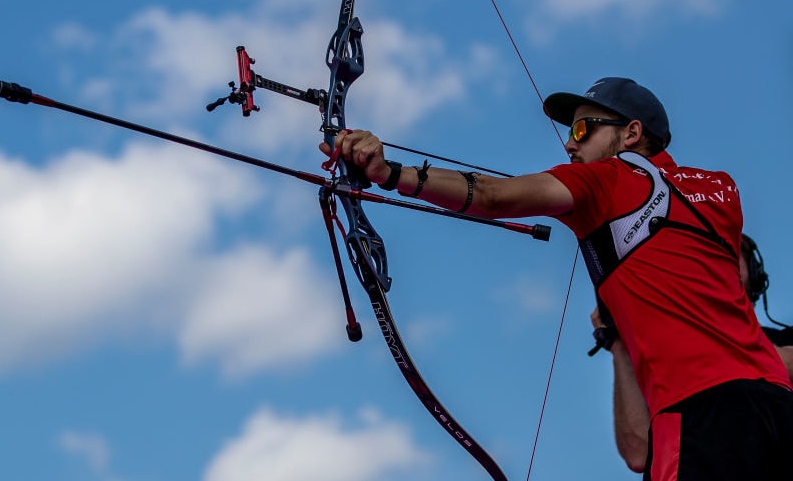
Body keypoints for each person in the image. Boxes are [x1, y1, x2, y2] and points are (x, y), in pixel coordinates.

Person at [323, 77, 793, 480]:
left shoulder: (609, 180)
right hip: (778, 405)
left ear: (631, 133)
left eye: (584, 129)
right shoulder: (721, 189)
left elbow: (491, 196)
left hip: (699, 415)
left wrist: (390, 173)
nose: (570, 143)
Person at [593, 232, 793, 474]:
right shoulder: (662, 365)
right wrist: (620, 345)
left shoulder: (784, 342)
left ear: (754, 273)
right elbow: (639, 453)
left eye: (720, 254)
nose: (707, 266)